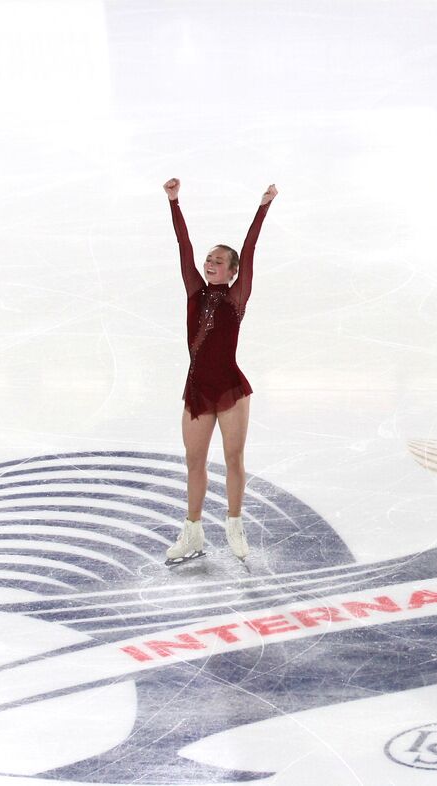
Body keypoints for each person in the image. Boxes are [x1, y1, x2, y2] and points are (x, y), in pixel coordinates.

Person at [162, 178, 277, 564]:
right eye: (209, 260)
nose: (210, 264)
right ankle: (192, 532)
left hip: (229, 390)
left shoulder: (236, 297)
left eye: (218, 262)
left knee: (233, 459)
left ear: (232, 272)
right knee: (194, 463)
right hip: (197, 389)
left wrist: (263, 207)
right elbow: (184, 247)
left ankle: (234, 525)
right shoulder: (195, 290)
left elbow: (250, 248)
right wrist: (174, 202)